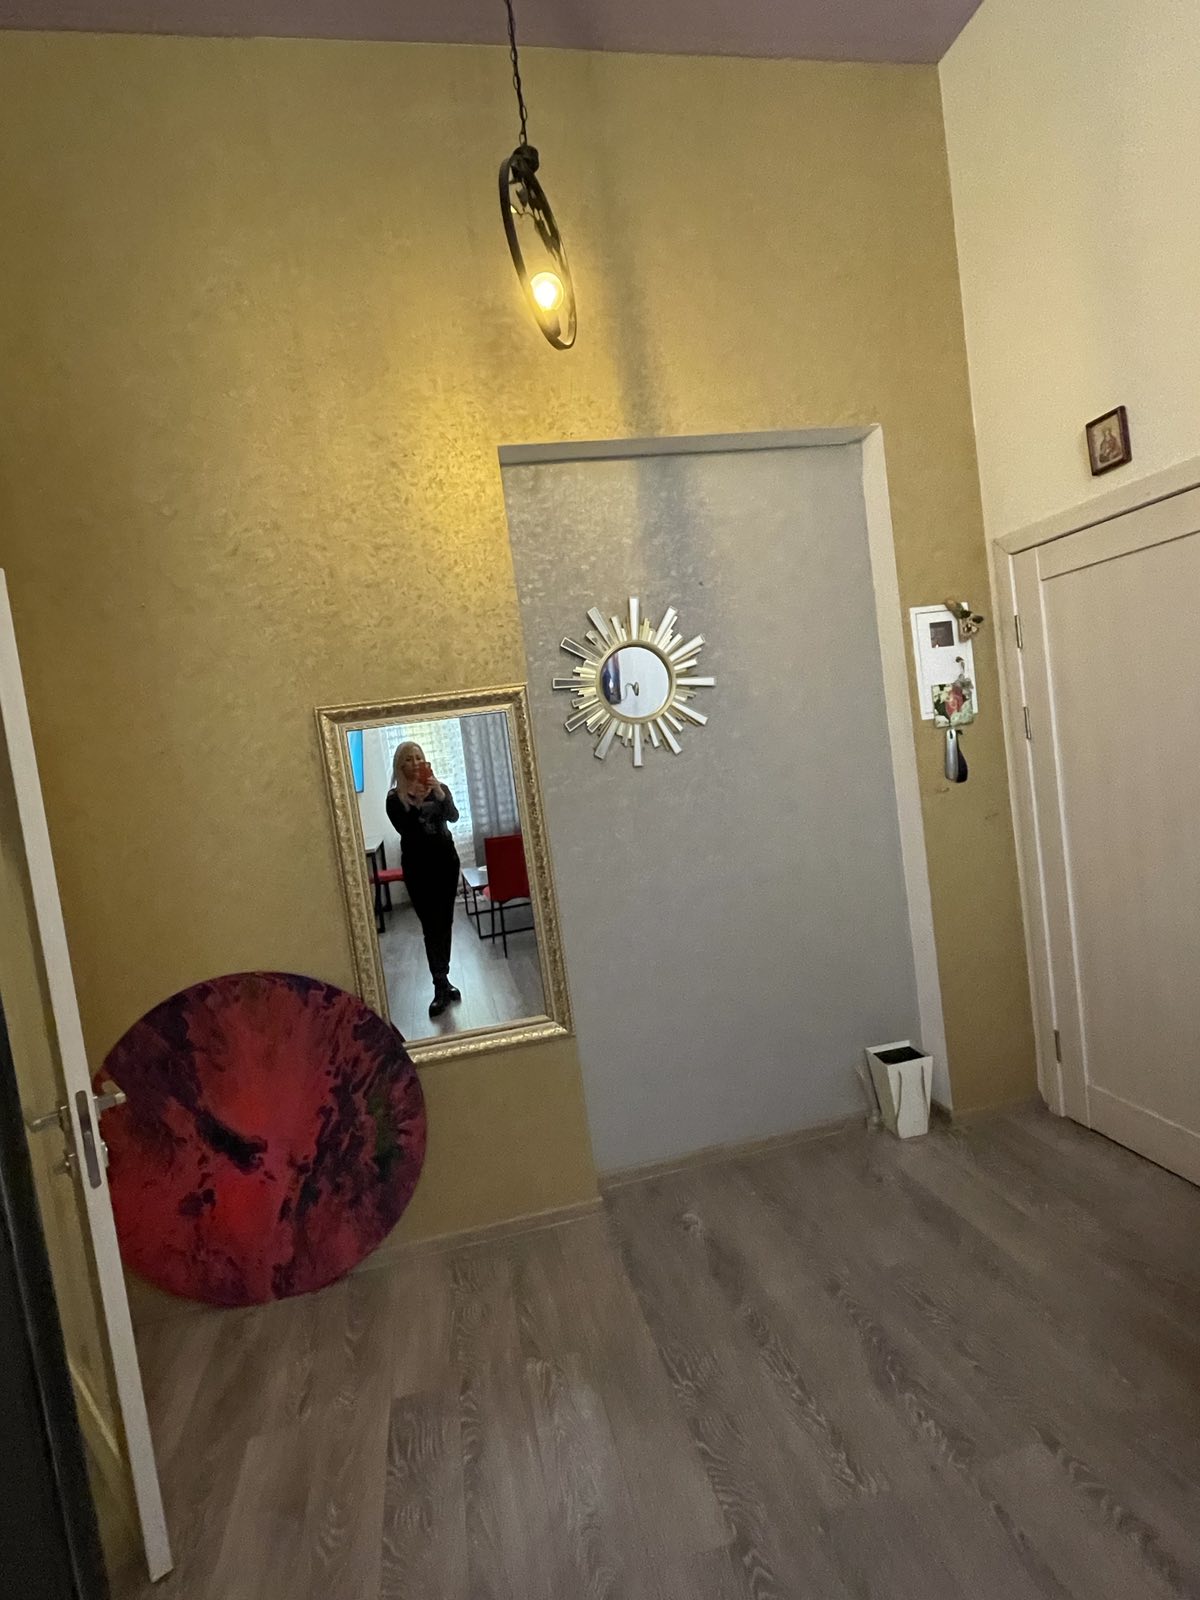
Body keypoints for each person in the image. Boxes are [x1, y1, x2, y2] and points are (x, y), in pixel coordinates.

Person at [385, 741, 463, 1018]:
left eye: (419, 757)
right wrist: (417, 802)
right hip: (419, 868)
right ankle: (439, 985)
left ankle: (444, 977)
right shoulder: (394, 799)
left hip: (446, 863)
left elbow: (453, 817)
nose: (415, 762)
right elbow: (406, 830)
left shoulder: (440, 788)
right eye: (409, 759)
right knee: (431, 925)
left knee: (445, 922)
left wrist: (440, 794)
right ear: (400, 765)